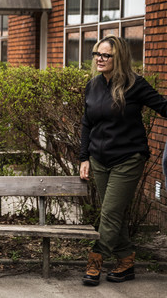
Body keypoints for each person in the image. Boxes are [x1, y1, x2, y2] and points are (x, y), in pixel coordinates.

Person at [79, 35, 167, 286]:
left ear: (119, 58)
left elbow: (162, 107)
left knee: (109, 213)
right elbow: (87, 123)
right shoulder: (93, 85)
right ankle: (126, 261)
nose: (99, 59)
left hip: (128, 159)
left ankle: (95, 260)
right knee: (113, 214)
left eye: (106, 55)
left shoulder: (135, 85)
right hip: (99, 159)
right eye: (97, 53)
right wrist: (84, 157)